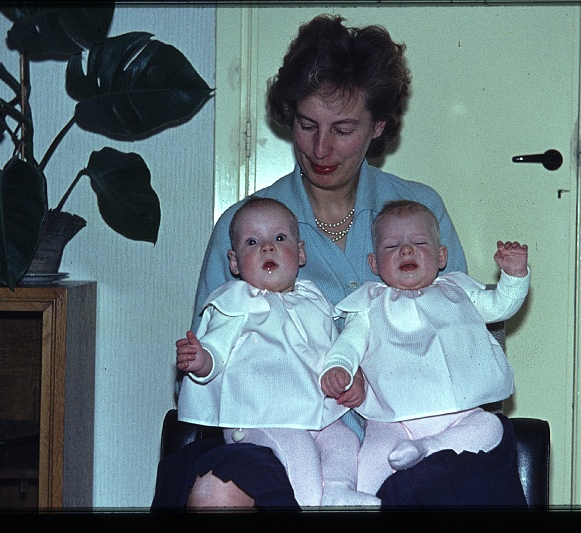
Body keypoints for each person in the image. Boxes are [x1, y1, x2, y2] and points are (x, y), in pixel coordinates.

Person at [153, 14, 524, 510]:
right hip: (284, 437)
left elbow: (472, 328)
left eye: (343, 129)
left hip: (410, 435)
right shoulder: (247, 228)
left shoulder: (420, 213)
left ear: (380, 126)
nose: (321, 148)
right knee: (216, 490)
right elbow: (209, 362)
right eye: (307, 125)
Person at [175, 197, 379, 507]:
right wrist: (201, 359)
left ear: (300, 253)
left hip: (314, 416)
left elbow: (332, 348)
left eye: (279, 238)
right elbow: (216, 346)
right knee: (300, 454)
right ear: (233, 262)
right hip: (260, 419)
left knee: (343, 440)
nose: (267, 248)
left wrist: (347, 375)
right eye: (252, 242)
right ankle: (307, 505)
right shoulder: (237, 301)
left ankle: (338, 490)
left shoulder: (312, 298)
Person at [319, 200, 530, 496]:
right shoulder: (368, 304)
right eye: (392, 247)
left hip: (458, 415)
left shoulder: (458, 290)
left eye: (419, 242)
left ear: (442, 256)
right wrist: (339, 367)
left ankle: (429, 448)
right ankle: (361, 499)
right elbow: (348, 344)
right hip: (394, 421)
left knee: (490, 427)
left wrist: (514, 276)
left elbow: (500, 307)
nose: (406, 250)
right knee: (374, 451)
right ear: (374, 263)